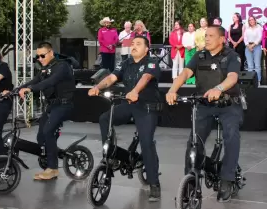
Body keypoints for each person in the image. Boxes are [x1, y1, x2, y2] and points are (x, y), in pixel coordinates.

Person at [166, 25, 243, 202]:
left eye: (210, 36)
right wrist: (172, 90)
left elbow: (232, 77)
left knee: (231, 135)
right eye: (205, 35)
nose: (206, 38)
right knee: (194, 140)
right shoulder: (199, 55)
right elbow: (185, 72)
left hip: (228, 104)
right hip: (205, 104)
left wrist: (219, 88)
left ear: (222, 39)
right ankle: (190, 179)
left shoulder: (231, 56)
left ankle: (227, 179)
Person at [88, 36, 162, 202]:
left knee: (146, 143)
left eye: (138, 44)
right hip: (129, 104)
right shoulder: (126, 63)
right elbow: (112, 78)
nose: (134, 46)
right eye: (132, 44)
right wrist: (97, 87)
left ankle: (154, 184)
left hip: (146, 108)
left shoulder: (151, 62)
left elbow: (146, 78)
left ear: (146, 49)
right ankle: (111, 154)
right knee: (104, 118)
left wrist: (135, 91)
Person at [17, 42, 75, 180]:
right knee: (41, 137)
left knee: (48, 131)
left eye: (42, 55)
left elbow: (50, 82)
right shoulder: (45, 68)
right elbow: (34, 81)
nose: (40, 59)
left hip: (65, 105)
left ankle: (53, 168)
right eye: (38, 56)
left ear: (51, 53)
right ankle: (52, 155)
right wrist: (15, 90)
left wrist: (30, 90)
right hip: (52, 106)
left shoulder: (62, 66)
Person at [244, 16, 263, 85]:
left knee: (257, 65)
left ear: (255, 20)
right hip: (248, 47)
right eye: (249, 20)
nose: (251, 21)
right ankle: (251, 82)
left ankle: (258, 81)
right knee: (250, 66)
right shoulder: (247, 28)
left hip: (257, 47)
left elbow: (260, 37)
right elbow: (245, 38)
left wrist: (253, 45)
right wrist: (248, 46)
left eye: (252, 19)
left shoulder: (259, 28)